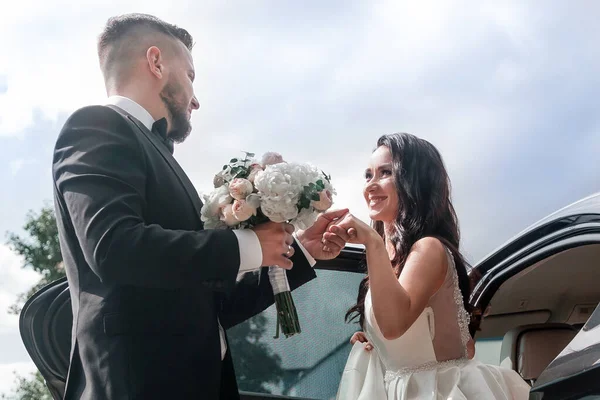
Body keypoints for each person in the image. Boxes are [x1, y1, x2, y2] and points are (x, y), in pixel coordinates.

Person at [52, 13, 348, 400]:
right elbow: (113, 247)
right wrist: (251, 246)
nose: (195, 97)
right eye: (190, 75)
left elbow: (207, 302)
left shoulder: (158, 153)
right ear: (156, 62)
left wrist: (301, 250)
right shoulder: (96, 124)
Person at [326, 133, 530, 399]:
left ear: (414, 181)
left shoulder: (429, 248)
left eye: (385, 173)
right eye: (368, 175)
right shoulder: (390, 260)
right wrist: (378, 344)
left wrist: (372, 242)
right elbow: (462, 345)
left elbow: (396, 325)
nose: (371, 186)